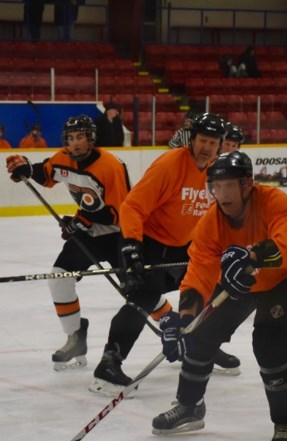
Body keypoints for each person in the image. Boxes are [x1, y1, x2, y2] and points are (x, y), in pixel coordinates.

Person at [151, 150, 287, 441]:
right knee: (198, 336)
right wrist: (185, 318)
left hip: (286, 280)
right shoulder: (211, 222)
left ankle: (286, 420)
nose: (220, 194)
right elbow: (198, 272)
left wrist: (253, 255)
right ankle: (190, 406)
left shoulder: (273, 201)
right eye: (215, 186)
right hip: (241, 282)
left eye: (228, 186)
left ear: (247, 184)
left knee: (268, 341)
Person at [91, 112, 234, 395]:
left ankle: (200, 346)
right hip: (150, 243)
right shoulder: (170, 164)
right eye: (203, 140)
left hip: (186, 246)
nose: (207, 147)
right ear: (192, 140)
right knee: (142, 298)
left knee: (211, 293)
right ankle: (108, 364)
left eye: (213, 142)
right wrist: (132, 244)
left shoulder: (219, 171)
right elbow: (132, 206)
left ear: (220, 146)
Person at [5, 115, 137, 370]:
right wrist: (26, 169)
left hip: (121, 233)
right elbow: (46, 173)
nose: (75, 143)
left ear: (91, 139)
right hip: (88, 232)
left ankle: (171, 327)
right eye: (71, 138)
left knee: (138, 291)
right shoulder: (64, 157)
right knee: (59, 276)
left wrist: (81, 222)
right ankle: (75, 336)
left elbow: (119, 213)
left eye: (80, 137)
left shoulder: (110, 166)